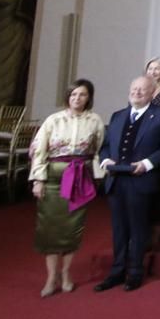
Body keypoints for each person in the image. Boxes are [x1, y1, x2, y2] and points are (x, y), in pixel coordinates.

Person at [29, 79, 105, 297]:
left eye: (82, 95)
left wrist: (98, 176)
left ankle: (66, 273)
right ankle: (51, 277)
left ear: (89, 97)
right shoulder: (54, 120)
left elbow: (99, 150)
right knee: (50, 228)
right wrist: (38, 180)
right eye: (73, 95)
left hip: (80, 177)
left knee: (72, 228)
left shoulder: (95, 121)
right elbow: (39, 151)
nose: (77, 99)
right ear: (67, 97)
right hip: (54, 178)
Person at [95, 77, 160, 293]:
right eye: (134, 89)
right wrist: (106, 160)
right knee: (119, 229)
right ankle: (116, 271)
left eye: (142, 90)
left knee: (138, 229)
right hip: (116, 181)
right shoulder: (118, 116)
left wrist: (147, 164)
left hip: (141, 180)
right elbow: (106, 146)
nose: (137, 93)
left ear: (151, 92)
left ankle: (135, 272)